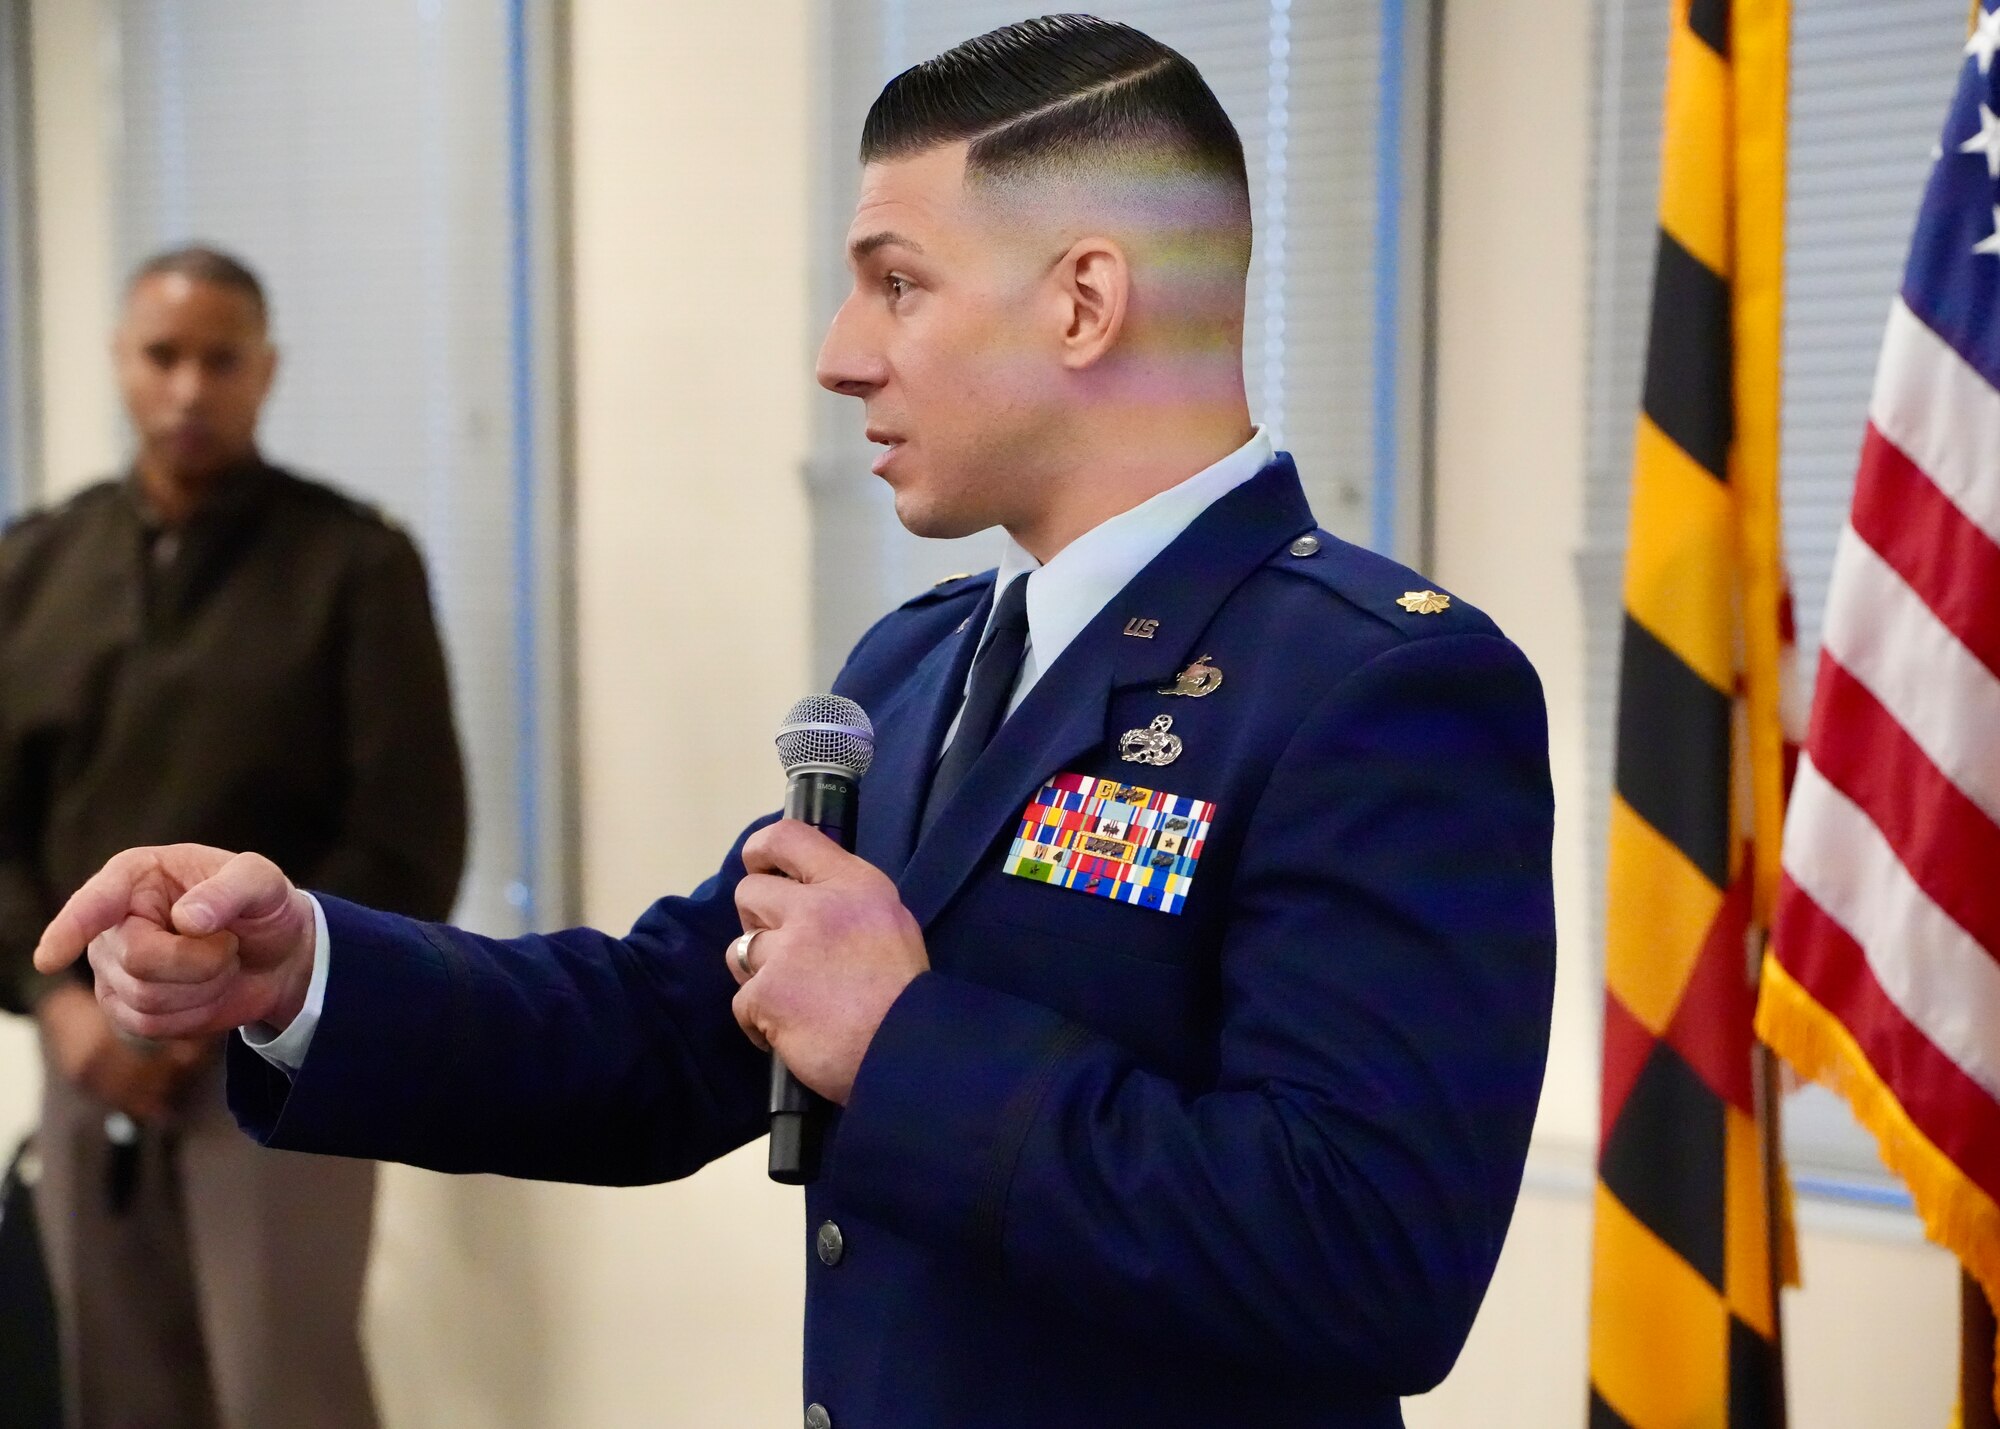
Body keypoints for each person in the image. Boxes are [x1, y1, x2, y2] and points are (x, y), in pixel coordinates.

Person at [34, 20, 1555, 1428]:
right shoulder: (918, 666)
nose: (841, 351)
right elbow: (664, 1025)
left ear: (1085, 301)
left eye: (897, 281)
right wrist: (304, 967)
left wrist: (905, 1043)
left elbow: (1370, 1256)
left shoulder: (1376, 691)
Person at [0, 245, 467, 1429]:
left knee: (282, 1388)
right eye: (163, 356)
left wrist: (237, 987)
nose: (190, 388)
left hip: (278, 1052)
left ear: (266, 372)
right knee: (112, 1382)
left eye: (221, 359)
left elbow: (408, 840)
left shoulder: (352, 565)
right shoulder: (35, 565)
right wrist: (56, 998)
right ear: (120, 363)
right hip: (83, 1043)